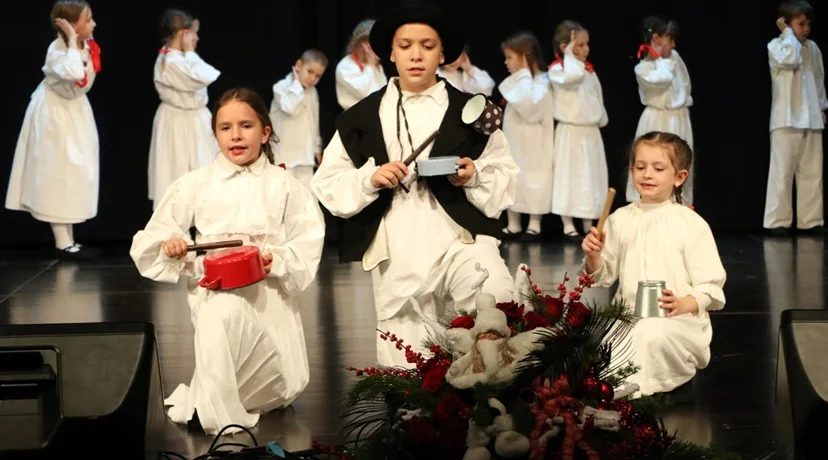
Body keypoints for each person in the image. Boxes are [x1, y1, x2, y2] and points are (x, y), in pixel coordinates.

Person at [310, 0, 519, 367]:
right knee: (407, 362)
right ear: (390, 53)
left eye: (427, 46)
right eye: (405, 46)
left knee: (495, 302)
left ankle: (493, 412)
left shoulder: (471, 110)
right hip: (398, 246)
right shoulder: (360, 117)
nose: (416, 55)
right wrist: (369, 178)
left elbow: (506, 174)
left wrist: (474, 175)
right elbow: (327, 181)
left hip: (460, 236)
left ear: (443, 54)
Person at [130, 87, 325, 435]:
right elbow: (153, 240)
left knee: (281, 385)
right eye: (225, 128)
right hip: (216, 293)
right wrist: (173, 247)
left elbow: (307, 243)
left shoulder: (286, 185)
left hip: (269, 299)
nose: (235, 135)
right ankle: (220, 410)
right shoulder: (195, 183)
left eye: (246, 126)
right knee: (221, 314)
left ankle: (239, 390)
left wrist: (274, 262)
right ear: (215, 133)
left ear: (265, 132)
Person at [582, 131, 726, 396]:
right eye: (640, 167)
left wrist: (684, 303)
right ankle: (626, 391)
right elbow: (601, 276)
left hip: (676, 319)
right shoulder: (620, 219)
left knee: (652, 333)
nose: (647, 174)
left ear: (679, 177)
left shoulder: (691, 224)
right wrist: (594, 255)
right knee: (611, 344)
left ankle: (637, 391)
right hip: (629, 315)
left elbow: (710, 286)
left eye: (658, 168)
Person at [5, 0, 101, 259]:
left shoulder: (84, 46)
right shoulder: (57, 49)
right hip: (54, 114)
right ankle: (63, 242)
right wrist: (71, 39)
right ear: (71, 26)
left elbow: (84, 81)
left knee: (73, 175)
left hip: (75, 110)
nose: (93, 24)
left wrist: (77, 43)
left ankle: (69, 240)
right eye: (87, 19)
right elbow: (71, 72)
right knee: (58, 174)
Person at [148, 9, 221, 210]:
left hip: (194, 119)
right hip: (178, 122)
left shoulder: (181, 59)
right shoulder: (171, 61)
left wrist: (189, 53)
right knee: (177, 172)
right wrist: (190, 52)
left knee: (203, 173)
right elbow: (204, 75)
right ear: (182, 34)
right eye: (193, 33)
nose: (196, 38)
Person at [764, 0, 826, 235]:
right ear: (785, 25)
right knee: (782, 171)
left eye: (808, 24)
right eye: (800, 24)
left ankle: (810, 220)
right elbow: (791, 60)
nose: (806, 28)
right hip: (786, 118)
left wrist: (821, 107)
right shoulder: (777, 46)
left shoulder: (813, 48)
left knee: (811, 171)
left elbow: (818, 80)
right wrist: (788, 35)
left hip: (810, 117)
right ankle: (777, 221)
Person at [548, 21, 609, 240]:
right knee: (570, 175)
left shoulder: (588, 70)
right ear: (566, 46)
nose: (586, 49)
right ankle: (567, 223)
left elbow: (596, 97)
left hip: (589, 132)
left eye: (586, 44)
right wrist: (569, 56)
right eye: (580, 45)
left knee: (590, 176)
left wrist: (599, 118)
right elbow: (573, 79)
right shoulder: (559, 70)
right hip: (571, 132)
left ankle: (588, 221)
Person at [627, 16, 694, 205]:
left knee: (679, 162)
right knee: (658, 160)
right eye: (669, 39)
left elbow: (685, 85)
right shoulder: (643, 68)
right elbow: (662, 79)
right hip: (658, 119)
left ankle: (680, 205)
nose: (672, 44)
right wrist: (658, 57)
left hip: (679, 117)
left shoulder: (674, 57)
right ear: (656, 39)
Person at [498, 31, 555, 241]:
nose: (506, 62)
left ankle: (534, 223)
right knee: (513, 176)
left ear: (525, 57)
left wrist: (523, 74)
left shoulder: (542, 81)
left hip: (535, 141)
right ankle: (513, 223)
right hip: (516, 140)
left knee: (535, 177)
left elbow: (531, 108)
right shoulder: (516, 81)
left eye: (510, 57)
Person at [270, 49, 327, 188]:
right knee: (284, 194)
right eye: (310, 71)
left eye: (318, 76)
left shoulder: (313, 92)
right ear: (299, 65)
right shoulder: (280, 87)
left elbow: (314, 120)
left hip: (305, 155)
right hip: (284, 154)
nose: (312, 78)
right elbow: (290, 108)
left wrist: (317, 147)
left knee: (307, 198)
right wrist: (296, 84)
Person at [334, 19, 387, 110]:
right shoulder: (346, 66)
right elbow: (365, 93)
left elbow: (383, 94)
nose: (369, 48)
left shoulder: (376, 66)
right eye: (367, 42)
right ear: (358, 44)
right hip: (355, 118)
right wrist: (370, 66)